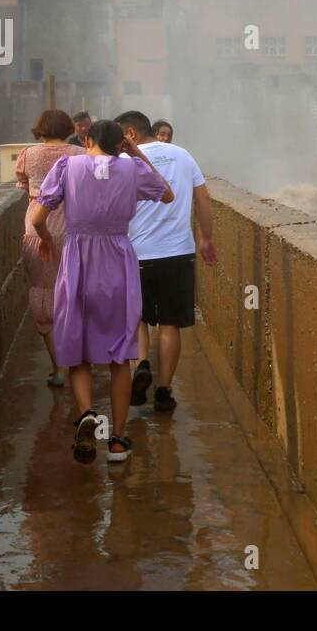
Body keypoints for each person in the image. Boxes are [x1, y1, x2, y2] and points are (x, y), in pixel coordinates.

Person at [29, 119, 175, 464]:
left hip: (78, 259)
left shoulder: (67, 166)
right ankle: (119, 440)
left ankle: (85, 415)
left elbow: (37, 219)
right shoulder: (131, 170)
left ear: (86, 138)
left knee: (77, 348)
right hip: (117, 261)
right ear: (119, 144)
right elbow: (167, 194)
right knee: (119, 354)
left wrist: (48, 241)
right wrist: (135, 152)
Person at [113, 110, 216, 413]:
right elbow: (204, 199)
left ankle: (142, 363)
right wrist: (206, 238)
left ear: (130, 133)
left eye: (120, 137)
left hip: (136, 252)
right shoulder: (183, 155)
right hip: (177, 251)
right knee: (170, 323)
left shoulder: (123, 162)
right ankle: (164, 390)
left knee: (138, 318)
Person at [15, 109, 84, 388]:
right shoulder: (80, 155)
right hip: (72, 229)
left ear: (40, 128)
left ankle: (58, 369)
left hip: (37, 230)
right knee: (72, 296)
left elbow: (23, 186)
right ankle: (77, 362)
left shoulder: (28, 154)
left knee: (44, 293)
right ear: (68, 128)